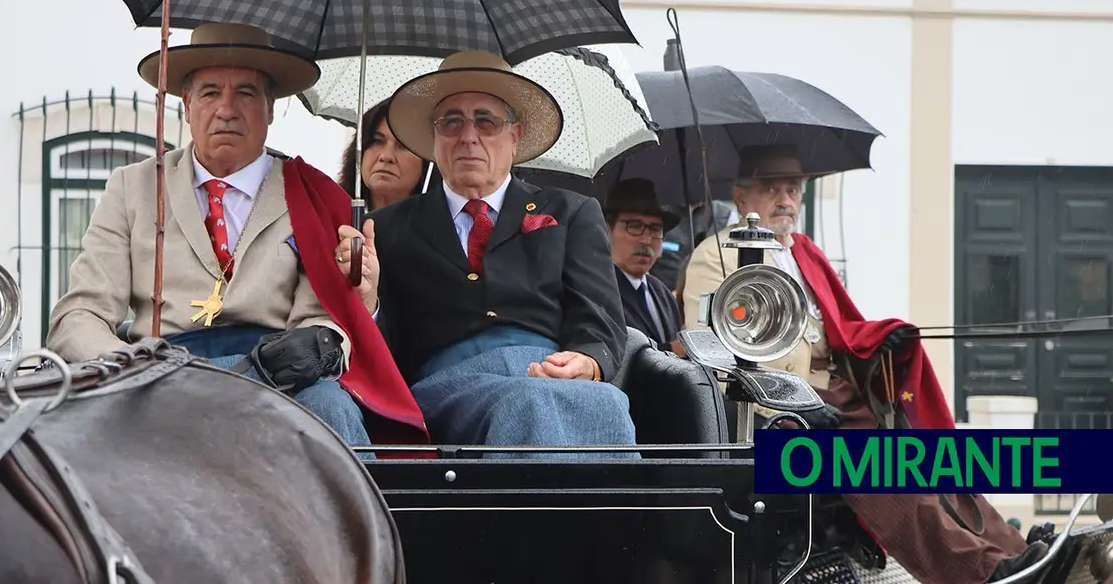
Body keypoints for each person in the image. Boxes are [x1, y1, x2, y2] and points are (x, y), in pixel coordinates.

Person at [46, 22, 428, 449]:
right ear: (187, 106)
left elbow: (323, 318)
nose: (226, 109)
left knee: (334, 410)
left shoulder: (314, 194)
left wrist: (321, 342)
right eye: (210, 93)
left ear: (270, 109)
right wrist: (130, 367)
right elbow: (79, 316)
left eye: (245, 93)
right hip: (161, 376)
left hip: (277, 380)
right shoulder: (132, 188)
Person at [680, 143, 1047, 584]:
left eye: (793, 190)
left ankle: (1019, 551)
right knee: (885, 470)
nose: (785, 200)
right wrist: (786, 405)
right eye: (771, 189)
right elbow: (714, 355)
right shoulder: (716, 254)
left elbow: (842, 328)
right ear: (741, 198)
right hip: (777, 411)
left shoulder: (804, 253)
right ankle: (985, 572)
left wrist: (880, 341)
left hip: (841, 393)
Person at [334, 50, 638, 459]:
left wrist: (587, 360)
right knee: (527, 403)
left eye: (486, 121)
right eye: (452, 122)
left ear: (514, 136)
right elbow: (383, 354)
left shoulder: (570, 212)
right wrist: (368, 300)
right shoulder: (386, 228)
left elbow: (599, 316)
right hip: (444, 387)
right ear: (435, 138)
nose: (468, 136)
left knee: (608, 404)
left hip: (550, 372)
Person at [602, 178, 684, 353]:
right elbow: (613, 354)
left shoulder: (663, 295)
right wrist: (670, 350)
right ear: (608, 230)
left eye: (654, 229)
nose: (646, 240)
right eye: (634, 226)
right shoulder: (598, 290)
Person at [339, 98, 431, 207]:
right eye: (377, 141)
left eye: (403, 146)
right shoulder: (331, 215)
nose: (386, 156)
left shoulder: (444, 222)